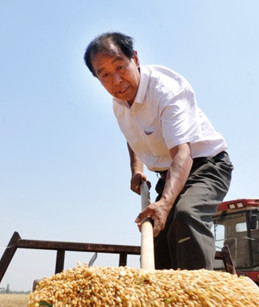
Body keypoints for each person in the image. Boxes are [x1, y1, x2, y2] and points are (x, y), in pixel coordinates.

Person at [84, 32, 233, 270]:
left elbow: (182, 154)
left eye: (120, 67)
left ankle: (199, 299)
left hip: (205, 165)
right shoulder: (119, 103)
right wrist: (137, 169)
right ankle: (164, 301)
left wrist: (165, 203)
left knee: (186, 216)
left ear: (135, 58)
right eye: (105, 75)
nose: (117, 80)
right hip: (169, 174)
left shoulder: (166, 91)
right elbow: (133, 136)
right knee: (157, 234)